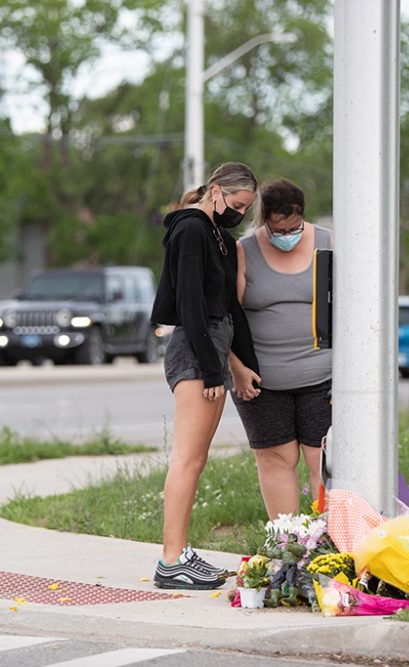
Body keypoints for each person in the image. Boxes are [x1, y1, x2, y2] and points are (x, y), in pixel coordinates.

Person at [150, 162, 262, 590]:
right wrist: (213, 367)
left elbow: (227, 311)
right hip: (196, 352)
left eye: (246, 208)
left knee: (196, 460)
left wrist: (241, 366)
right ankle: (170, 560)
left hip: (214, 348)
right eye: (236, 204)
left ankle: (180, 553)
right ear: (216, 191)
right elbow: (192, 304)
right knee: (187, 458)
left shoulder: (221, 236)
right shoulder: (191, 229)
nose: (239, 213)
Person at [230, 177, 332, 521]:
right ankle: (288, 544)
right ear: (264, 220)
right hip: (262, 383)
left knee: (324, 458)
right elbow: (228, 314)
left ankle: (329, 546)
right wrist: (236, 369)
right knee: (276, 459)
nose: (286, 235)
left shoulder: (327, 242)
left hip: (323, 376)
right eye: (278, 229)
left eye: (294, 227)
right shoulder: (245, 250)